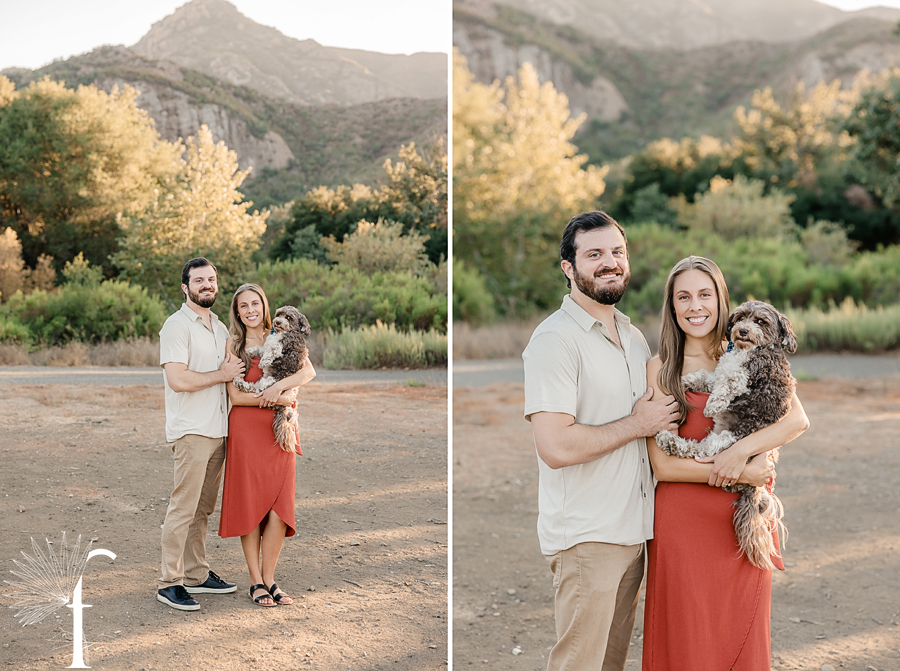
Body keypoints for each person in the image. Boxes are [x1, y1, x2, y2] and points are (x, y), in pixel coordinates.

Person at [523, 210, 681, 671]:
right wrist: (637, 423)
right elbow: (555, 447)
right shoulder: (555, 340)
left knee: (609, 666)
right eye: (594, 254)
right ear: (569, 268)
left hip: (634, 534)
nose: (609, 262)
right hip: (587, 539)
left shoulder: (633, 338)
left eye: (617, 252)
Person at [642, 256, 810, 670]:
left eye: (705, 294)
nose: (695, 306)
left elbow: (797, 420)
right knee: (688, 642)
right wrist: (740, 470)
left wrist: (739, 453)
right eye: (683, 297)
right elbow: (663, 467)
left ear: (722, 301)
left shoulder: (751, 355)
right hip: (683, 524)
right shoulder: (660, 369)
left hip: (741, 521)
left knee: (741, 637)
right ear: (672, 306)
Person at [218, 283, 316, 607]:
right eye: (243, 306)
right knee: (251, 504)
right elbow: (235, 396)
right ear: (237, 312)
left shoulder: (284, 335)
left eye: (255, 304)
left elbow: (308, 371)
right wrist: (272, 398)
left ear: (264, 305)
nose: (250, 310)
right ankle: (256, 581)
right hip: (246, 431)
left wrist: (279, 390)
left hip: (280, 431)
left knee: (279, 508)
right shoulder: (234, 345)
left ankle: (271, 578)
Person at [157, 258, 244, 611]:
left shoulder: (220, 328)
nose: (207, 284)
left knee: (202, 509)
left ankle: (196, 573)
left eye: (211, 279)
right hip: (191, 432)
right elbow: (178, 379)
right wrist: (221, 374)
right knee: (183, 508)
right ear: (185, 287)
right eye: (199, 280)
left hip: (218, 432)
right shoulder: (176, 326)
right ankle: (169, 583)